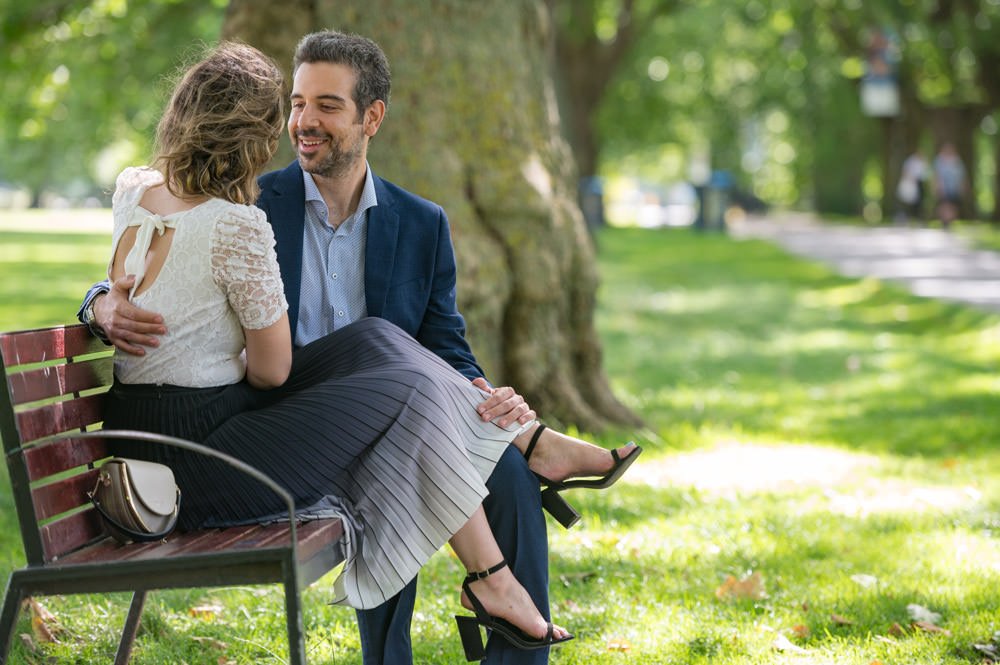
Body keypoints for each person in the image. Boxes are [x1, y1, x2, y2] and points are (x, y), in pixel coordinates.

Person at [80, 32, 641, 664]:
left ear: (371, 117)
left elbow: (442, 344)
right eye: (294, 104)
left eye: (326, 105)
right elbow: (165, 267)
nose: (301, 122)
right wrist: (97, 302)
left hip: (366, 398)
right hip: (266, 421)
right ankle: (515, 495)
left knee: (491, 460)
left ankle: (523, 490)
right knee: (404, 422)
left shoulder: (421, 222)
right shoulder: (251, 199)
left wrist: (482, 394)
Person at [932, 141, 968, 229]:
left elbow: (962, 175)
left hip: (954, 187)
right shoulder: (939, 160)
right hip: (943, 187)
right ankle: (944, 221)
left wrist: (963, 186)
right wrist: (936, 186)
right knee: (944, 205)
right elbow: (935, 174)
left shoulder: (957, 161)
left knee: (952, 205)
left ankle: (949, 222)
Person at [895, 150, 927, 225]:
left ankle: (918, 218)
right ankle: (904, 217)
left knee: (919, 202)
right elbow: (905, 171)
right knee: (907, 201)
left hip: (919, 183)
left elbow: (925, 174)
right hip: (911, 184)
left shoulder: (923, 162)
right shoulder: (910, 161)